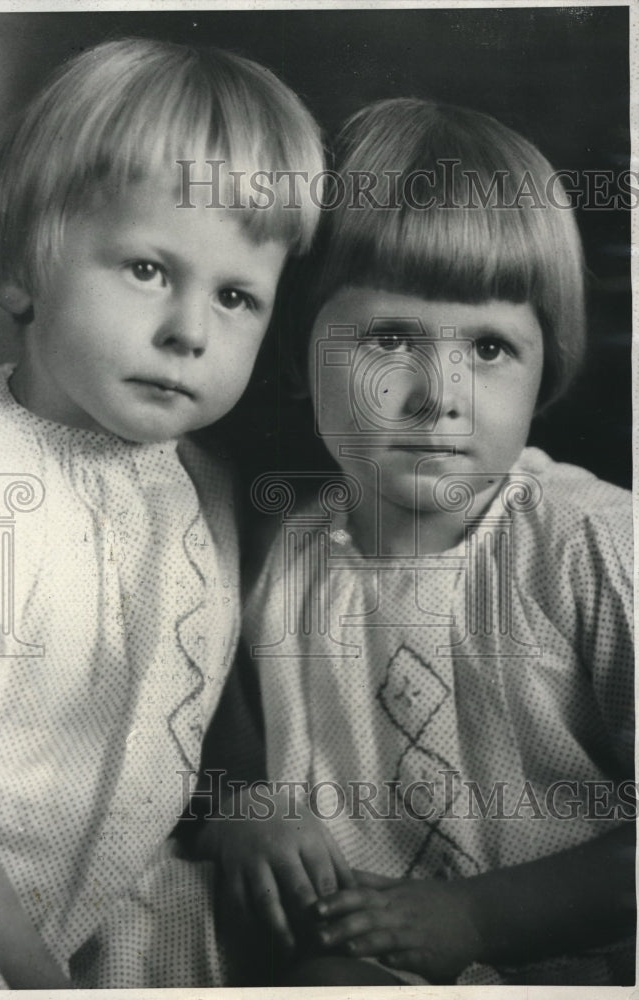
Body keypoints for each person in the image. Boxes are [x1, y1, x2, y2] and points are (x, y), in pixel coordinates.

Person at [0, 37, 324, 989]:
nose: (190, 331)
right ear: (23, 265)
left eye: (235, 296)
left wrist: (242, 795)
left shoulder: (202, 484)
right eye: (146, 269)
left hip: (89, 909)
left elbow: (190, 684)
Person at [199, 98, 635, 985]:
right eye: (391, 337)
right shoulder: (281, 555)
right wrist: (238, 806)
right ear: (293, 355)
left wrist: (478, 915)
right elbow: (213, 728)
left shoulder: (592, 542)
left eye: (489, 348)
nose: (440, 394)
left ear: (545, 363)